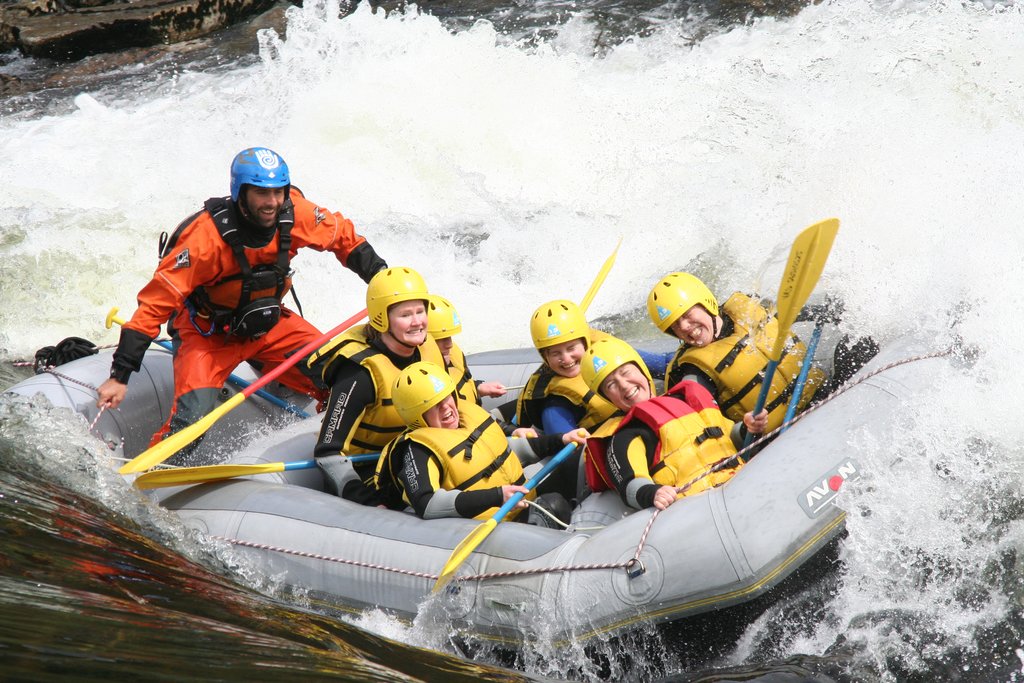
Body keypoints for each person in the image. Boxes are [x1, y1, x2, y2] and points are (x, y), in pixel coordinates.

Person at [95, 147, 387, 461]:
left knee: (343, 374)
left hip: (270, 325)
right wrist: (119, 376)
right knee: (191, 424)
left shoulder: (295, 212)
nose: (272, 202)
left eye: (278, 192)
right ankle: (147, 473)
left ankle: (339, 446)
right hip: (208, 335)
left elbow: (346, 239)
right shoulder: (203, 239)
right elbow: (155, 305)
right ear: (241, 192)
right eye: (262, 193)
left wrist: (386, 282)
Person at [375, 361, 588, 521]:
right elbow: (427, 503)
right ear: (416, 416)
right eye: (433, 406)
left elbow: (509, 450)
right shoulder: (417, 450)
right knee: (554, 505)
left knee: (572, 467)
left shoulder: (467, 415)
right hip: (490, 525)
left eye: (447, 397)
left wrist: (561, 439)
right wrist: (496, 496)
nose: (447, 408)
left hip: (518, 502)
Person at [307, 266, 445, 505]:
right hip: (373, 471)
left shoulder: (429, 348)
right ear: (382, 318)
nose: (417, 322)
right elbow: (328, 452)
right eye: (405, 315)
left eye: (420, 311)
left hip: (422, 453)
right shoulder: (360, 374)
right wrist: (365, 500)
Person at [581, 336, 768, 511]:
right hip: (701, 506)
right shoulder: (626, 435)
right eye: (611, 385)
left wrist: (748, 428)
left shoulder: (688, 399)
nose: (623, 384)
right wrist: (653, 493)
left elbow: (731, 438)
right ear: (608, 398)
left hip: (742, 480)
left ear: (643, 371)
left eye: (626, 372)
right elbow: (630, 485)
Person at [646, 272, 826, 433]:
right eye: (675, 325)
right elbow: (706, 428)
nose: (684, 327)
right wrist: (744, 428)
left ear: (705, 303)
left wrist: (824, 311)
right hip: (777, 437)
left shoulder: (746, 308)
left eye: (686, 315)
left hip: (821, 394)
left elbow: (782, 316)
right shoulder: (694, 372)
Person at [514, 299, 617, 435]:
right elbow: (566, 445)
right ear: (545, 357)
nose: (566, 359)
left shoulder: (606, 350)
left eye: (571, 348)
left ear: (586, 343)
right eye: (556, 353)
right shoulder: (555, 406)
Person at [426, 295, 507, 406]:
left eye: (449, 336)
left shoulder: (454, 353)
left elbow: (458, 386)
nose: (449, 344)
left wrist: (479, 388)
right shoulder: (416, 379)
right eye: (441, 339)